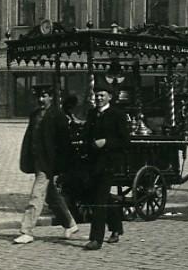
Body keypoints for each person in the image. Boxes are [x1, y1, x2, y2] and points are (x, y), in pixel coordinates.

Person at [13, 87, 78, 245]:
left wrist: (59, 165)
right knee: (51, 195)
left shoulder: (58, 116)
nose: (41, 100)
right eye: (39, 97)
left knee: (36, 195)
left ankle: (26, 231)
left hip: (48, 163)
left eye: (44, 96)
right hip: (37, 161)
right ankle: (70, 224)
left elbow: (64, 144)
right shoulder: (34, 115)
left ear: (51, 98)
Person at [81, 87, 130, 251]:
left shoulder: (118, 115)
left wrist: (107, 142)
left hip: (109, 163)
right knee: (102, 197)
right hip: (93, 162)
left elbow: (125, 141)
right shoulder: (92, 114)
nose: (99, 98)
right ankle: (116, 228)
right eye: (96, 95)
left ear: (109, 97)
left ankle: (96, 239)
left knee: (99, 200)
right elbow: (86, 136)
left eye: (102, 95)